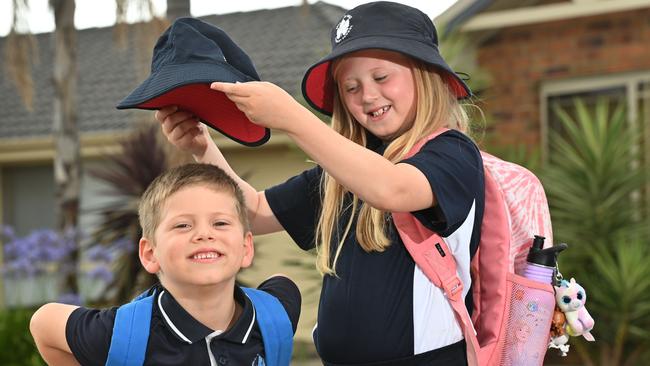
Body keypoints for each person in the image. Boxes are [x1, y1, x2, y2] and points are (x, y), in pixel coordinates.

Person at [156, 2, 484, 365]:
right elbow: (256, 212)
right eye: (350, 87)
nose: (368, 95)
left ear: (426, 76)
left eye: (381, 77)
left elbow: (394, 189)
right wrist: (204, 149)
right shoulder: (342, 171)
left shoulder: (452, 152)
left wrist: (293, 118)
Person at [29, 163, 301, 366]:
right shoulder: (122, 335)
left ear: (246, 248)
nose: (204, 234)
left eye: (220, 223)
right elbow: (43, 323)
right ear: (150, 254)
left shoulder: (276, 313)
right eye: (183, 225)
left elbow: (283, 284)